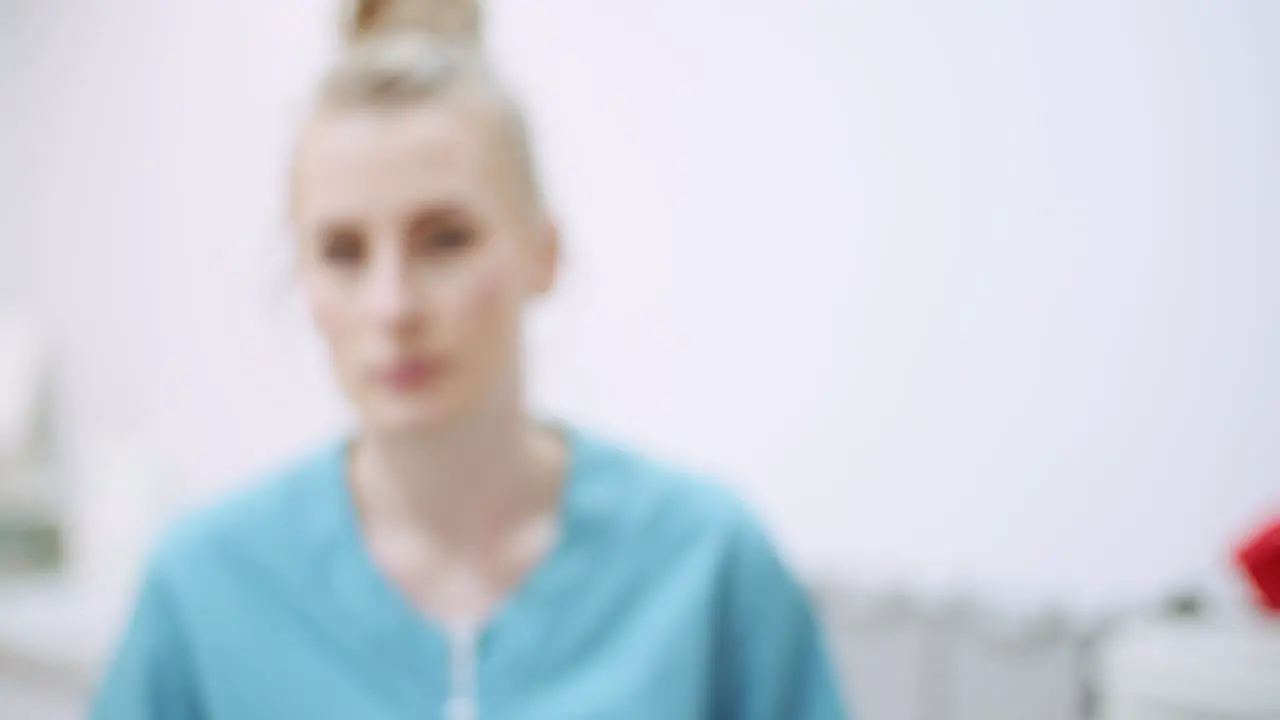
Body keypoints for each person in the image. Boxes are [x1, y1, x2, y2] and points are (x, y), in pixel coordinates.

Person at [91, 1, 850, 717]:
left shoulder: (707, 568)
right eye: (343, 252)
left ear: (542, 254)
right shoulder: (203, 591)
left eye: (444, 240)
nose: (393, 307)